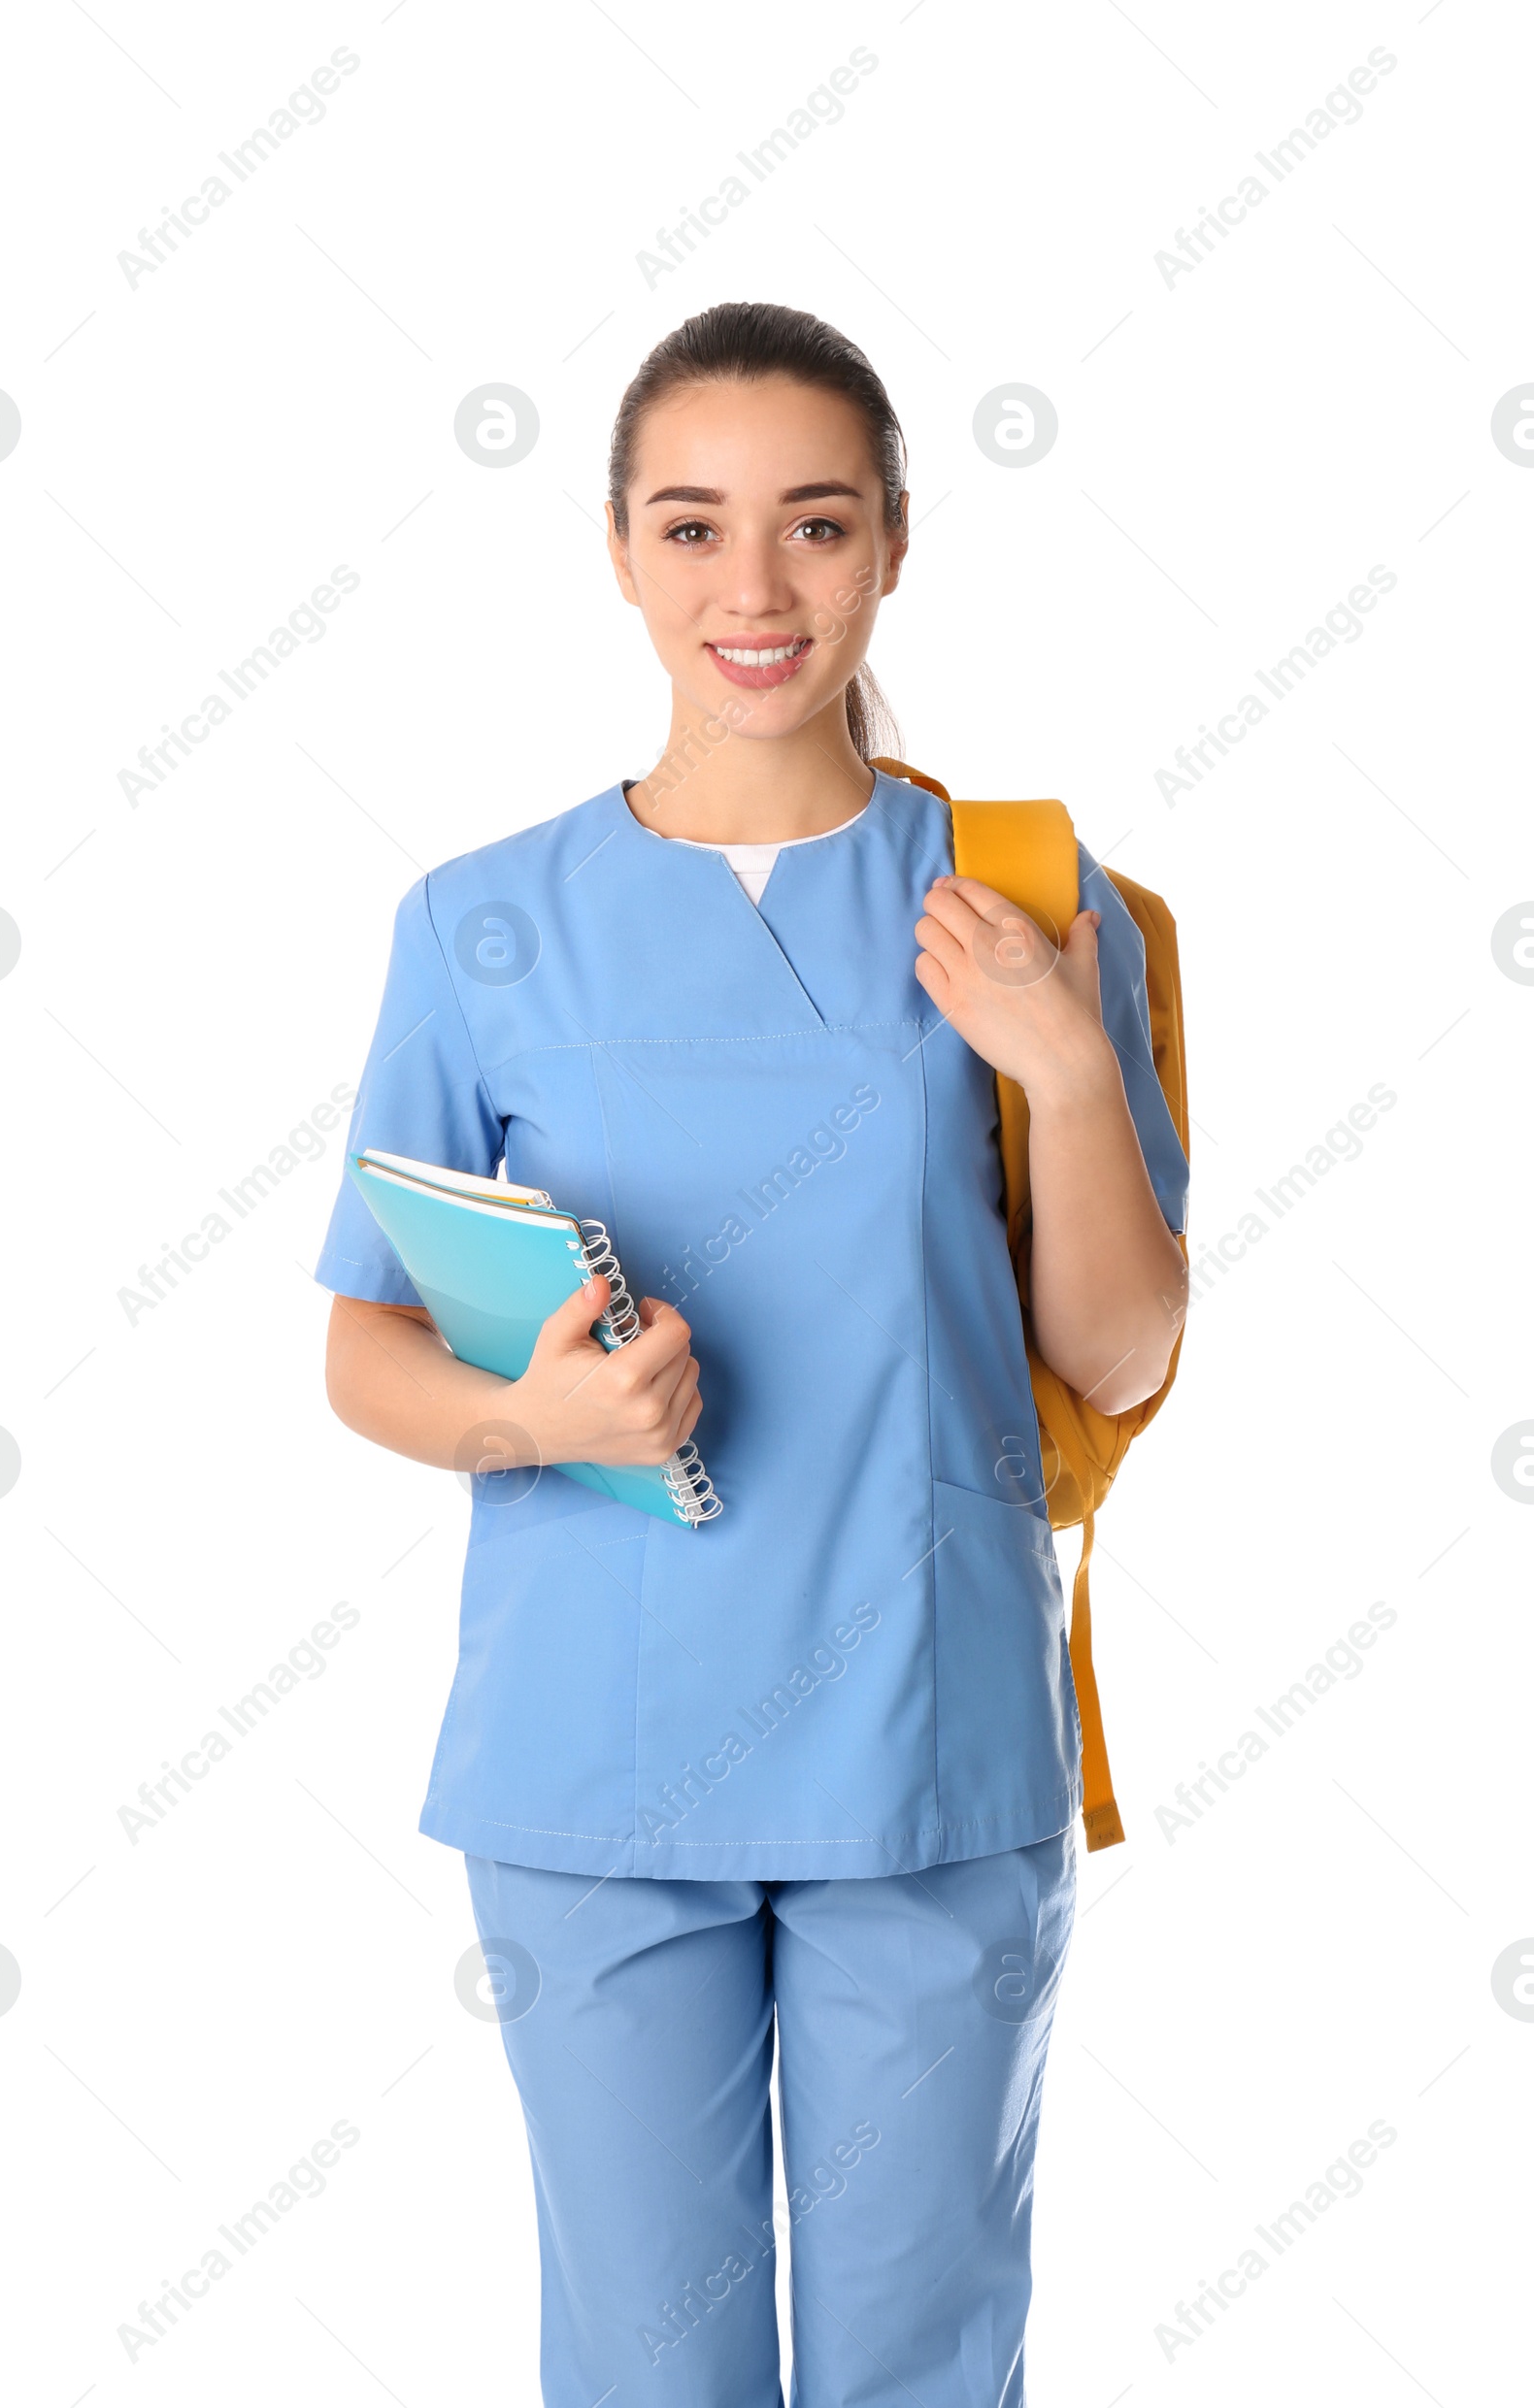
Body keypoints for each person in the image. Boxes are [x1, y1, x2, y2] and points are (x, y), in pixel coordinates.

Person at [317, 301, 1188, 2406]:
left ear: (891, 541)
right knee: (644, 2364)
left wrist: (1064, 1070)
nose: (754, 587)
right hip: (596, 1758)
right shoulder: (477, 921)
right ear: (616, 550)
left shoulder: (1034, 899)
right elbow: (365, 1335)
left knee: (918, 2351)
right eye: (693, 526)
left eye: (812, 523)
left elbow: (1122, 1344)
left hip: (921, 1729)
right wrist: (524, 1411)